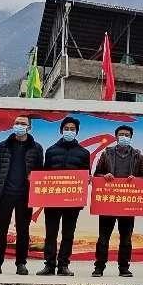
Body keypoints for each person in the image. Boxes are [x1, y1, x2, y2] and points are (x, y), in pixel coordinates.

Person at [0, 115, 44, 275]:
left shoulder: (36, 148)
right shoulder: (3, 146)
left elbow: (40, 171)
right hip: (5, 194)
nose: (19, 126)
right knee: (0, 230)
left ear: (29, 127)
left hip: (25, 195)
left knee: (23, 231)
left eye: (23, 123)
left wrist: (35, 185)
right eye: (17, 123)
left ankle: (21, 264)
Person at [91, 124, 143, 277]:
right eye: (121, 134)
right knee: (103, 238)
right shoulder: (106, 154)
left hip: (127, 202)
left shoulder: (137, 156)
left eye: (127, 135)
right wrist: (104, 176)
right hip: (109, 202)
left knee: (126, 238)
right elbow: (97, 175)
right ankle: (99, 267)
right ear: (116, 137)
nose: (124, 137)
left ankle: (124, 267)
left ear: (131, 138)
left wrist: (136, 179)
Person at [38, 116, 90, 276]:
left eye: (72, 129)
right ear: (61, 131)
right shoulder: (51, 151)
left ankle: (63, 265)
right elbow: (45, 174)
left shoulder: (84, 153)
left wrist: (87, 179)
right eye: (66, 129)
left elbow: (86, 175)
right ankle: (49, 265)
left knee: (68, 234)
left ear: (77, 132)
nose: (69, 131)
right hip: (52, 200)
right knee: (50, 233)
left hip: (72, 201)